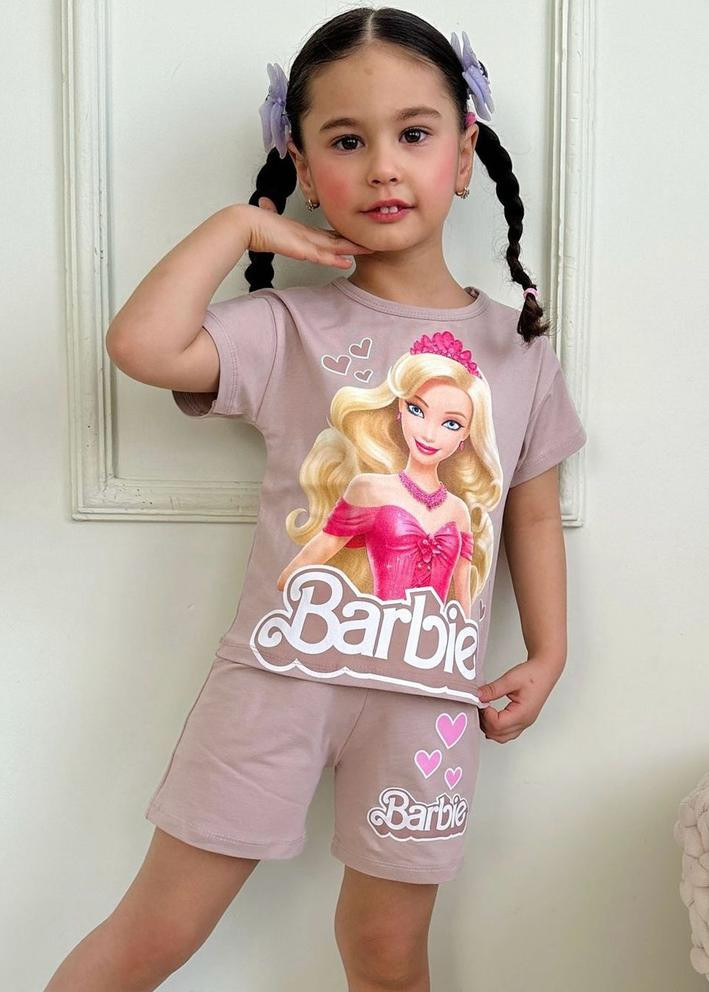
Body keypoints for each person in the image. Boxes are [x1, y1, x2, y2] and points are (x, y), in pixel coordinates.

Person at [44, 7, 588, 991]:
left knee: (387, 956)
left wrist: (548, 653)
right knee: (152, 935)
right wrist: (237, 225)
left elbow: (531, 511)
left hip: (428, 708)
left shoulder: (518, 351)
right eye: (345, 141)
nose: (383, 167)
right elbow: (143, 345)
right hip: (274, 686)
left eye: (413, 133)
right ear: (300, 163)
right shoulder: (283, 325)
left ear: (464, 152)